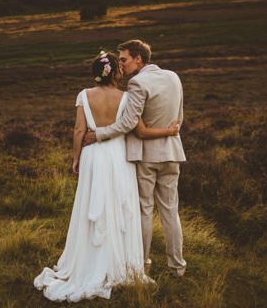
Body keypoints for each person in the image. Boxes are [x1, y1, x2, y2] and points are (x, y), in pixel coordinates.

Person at [34, 50, 178, 302]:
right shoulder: (126, 97)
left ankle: (90, 259)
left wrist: (76, 158)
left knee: (92, 204)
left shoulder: (84, 95)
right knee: (121, 206)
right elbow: (138, 129)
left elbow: (79, 130)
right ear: (116, 72)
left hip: (92, 155)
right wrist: (169, 130)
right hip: (118, 155)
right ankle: (120, 262)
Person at [83, 39, 187, 277]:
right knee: (171, 210)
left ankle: (142, 265)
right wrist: (169, 131)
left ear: (138, 58)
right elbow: (178, 117)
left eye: (124, 59)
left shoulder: (138, 83)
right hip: (172, 152)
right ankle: (177, 267)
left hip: (148, 156)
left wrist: (99, 134)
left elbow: (129, 123)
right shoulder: (174, 77)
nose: (121, 64)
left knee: (145, 210)